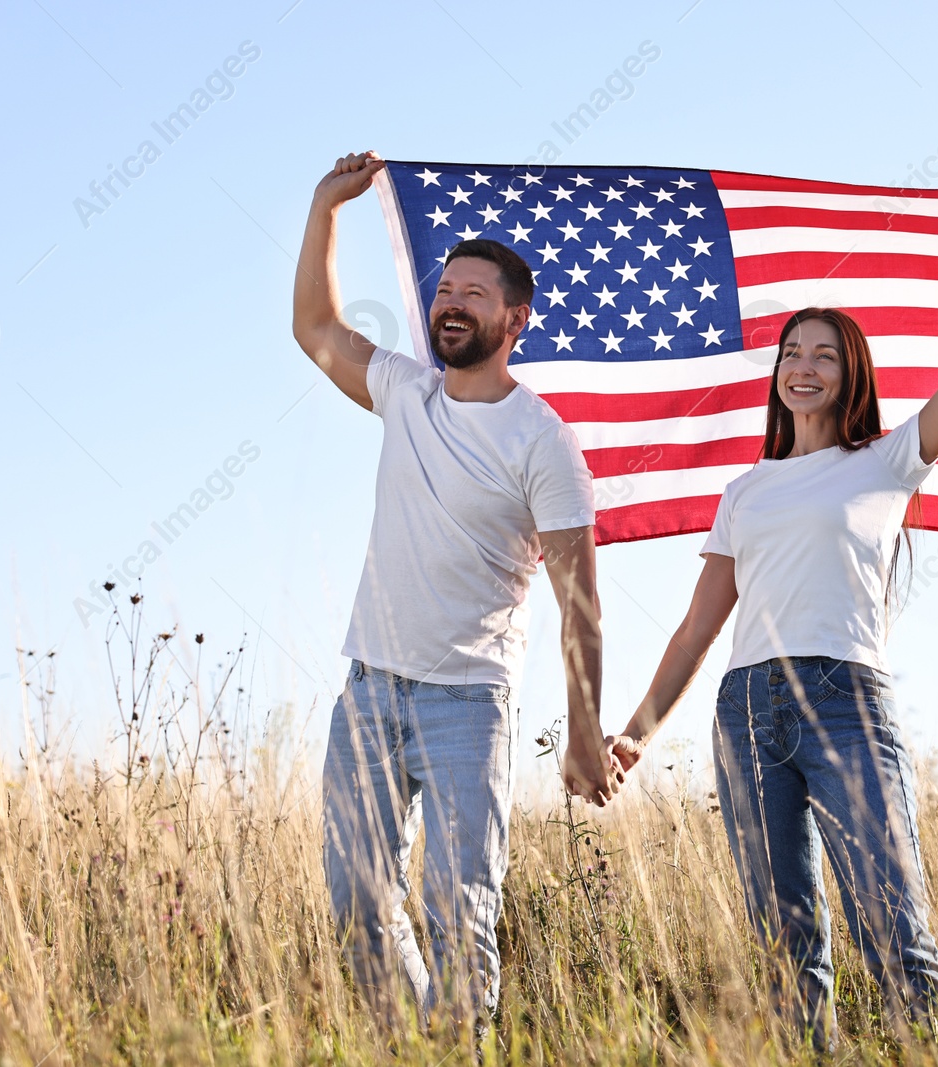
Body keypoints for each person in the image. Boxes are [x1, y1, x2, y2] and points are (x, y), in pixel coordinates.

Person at [606, 192, 938, 1046]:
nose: (802, 366)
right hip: (744, 710)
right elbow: (697, 628)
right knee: (785, 947)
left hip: (846, 699)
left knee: (895, 933)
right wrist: (636, 732)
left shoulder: (888, 461)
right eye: (791, 352)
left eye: (823, 355)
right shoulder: (745, 491)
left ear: (851, 374)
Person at [292, 150, 623, 1030]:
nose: (450, 303)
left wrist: (585, 729)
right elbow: (317, 330)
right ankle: (409, 1046)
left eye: (473, 294)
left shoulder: (543, 443)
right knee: (358, 903)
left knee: (459, 911)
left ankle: (458, 1048)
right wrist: (327, 208)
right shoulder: (407, 392)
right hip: (368, 692)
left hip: (469, 705)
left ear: (515, 318)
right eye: (444, 290)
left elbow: (579, 602)